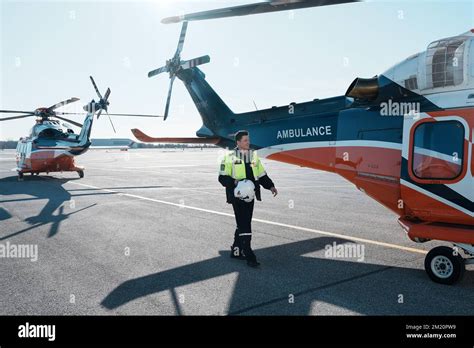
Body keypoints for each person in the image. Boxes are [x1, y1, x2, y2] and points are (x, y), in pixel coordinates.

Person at [218, 130, 278, 267]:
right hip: (237, 196)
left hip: (250, 195)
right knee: (245, 224)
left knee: (243, 222)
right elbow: (222, 178)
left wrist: (271, 186)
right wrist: (233, 182)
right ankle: (249, 254)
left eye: (248, 140)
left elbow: (261, 174)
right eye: (245, 140)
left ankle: (236, 250)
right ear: (238, 142)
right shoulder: (229, 158)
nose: (248, 142)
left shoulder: (253, 157)